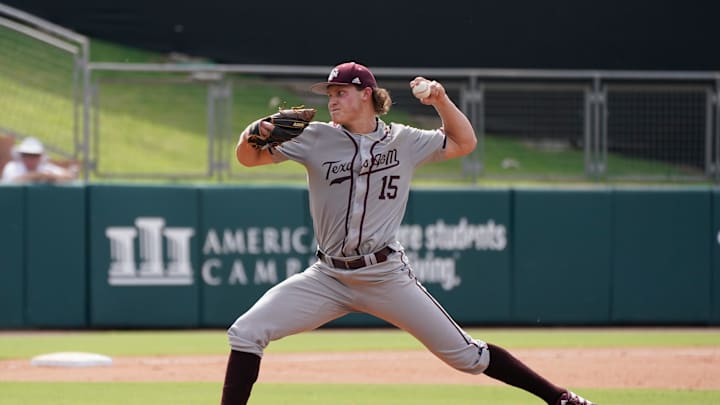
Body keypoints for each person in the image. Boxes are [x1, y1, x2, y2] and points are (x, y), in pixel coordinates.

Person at [223, 61, 596, 405]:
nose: (332, 101)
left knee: (467, 356)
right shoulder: (316, 138)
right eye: (330, 94)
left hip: (385, 275)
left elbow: (464, 143)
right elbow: (248, 157)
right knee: (246, 331)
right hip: (328, 277)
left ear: (366, 94)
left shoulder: (404, 140)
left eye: (341, 93)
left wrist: (441, 100)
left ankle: (561, 399)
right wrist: (251, 133)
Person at [1, 137, 75, 184]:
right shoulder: (12, 167)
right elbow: (14, 181)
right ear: (21, 156)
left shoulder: (44, 168)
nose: (30, 159)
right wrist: (39, 176)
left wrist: (52, 177)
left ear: (40, 157)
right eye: (26, 155)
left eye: (34, 155)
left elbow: (69, 176)